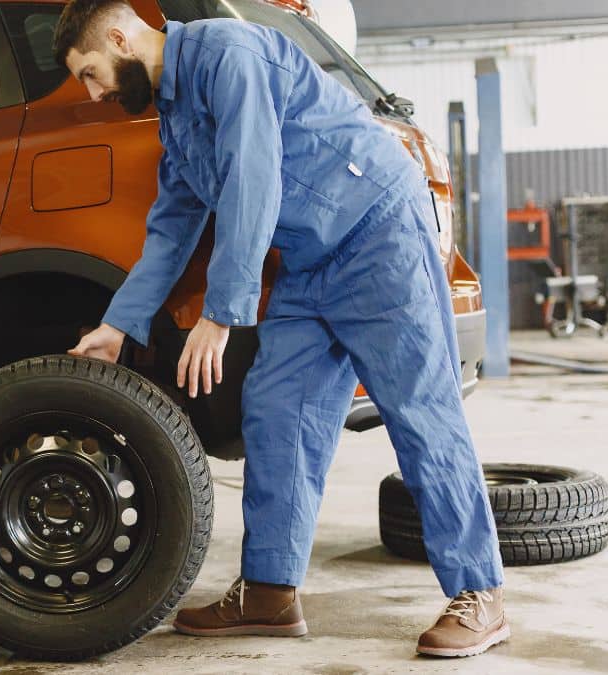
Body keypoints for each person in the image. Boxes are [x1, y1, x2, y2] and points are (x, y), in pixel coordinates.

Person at [54, 0, 509, 658]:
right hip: (309, 260)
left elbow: (254, 178)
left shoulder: (227, 56)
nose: (95, 93)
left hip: (377, 234)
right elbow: (173, 225)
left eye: (92, 73)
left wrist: (221, 312)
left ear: (122, 38)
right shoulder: (176, 113)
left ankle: (480, 594)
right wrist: (117, 324)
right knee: (277, 409)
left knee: (419, 409)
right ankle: (270, 591)